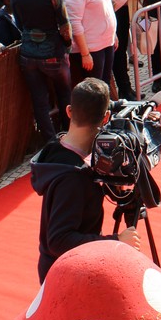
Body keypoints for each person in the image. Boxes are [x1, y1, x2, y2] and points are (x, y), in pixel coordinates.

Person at [30, 77, 141, 283]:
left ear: (69, 111)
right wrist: (115, 242)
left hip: (66, 268)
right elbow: (59, 240)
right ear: (106, 117)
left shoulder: (57, 146)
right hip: (66, 277)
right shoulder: (73, 177)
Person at [11, 0, 73, 140]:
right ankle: (70, 136)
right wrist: (68, 45)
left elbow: (19, 23)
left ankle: (50, 141)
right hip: (54, 52)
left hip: (28, 54)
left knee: (39, 100)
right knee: (64, 95)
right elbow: (64, 25)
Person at [62, 0, 116, 85]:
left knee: (105, 84)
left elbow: (107, 6)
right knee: (94, 88)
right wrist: (85, 54)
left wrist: (113, 34)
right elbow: (74, 23)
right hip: (91, 48)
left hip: (106, 43)